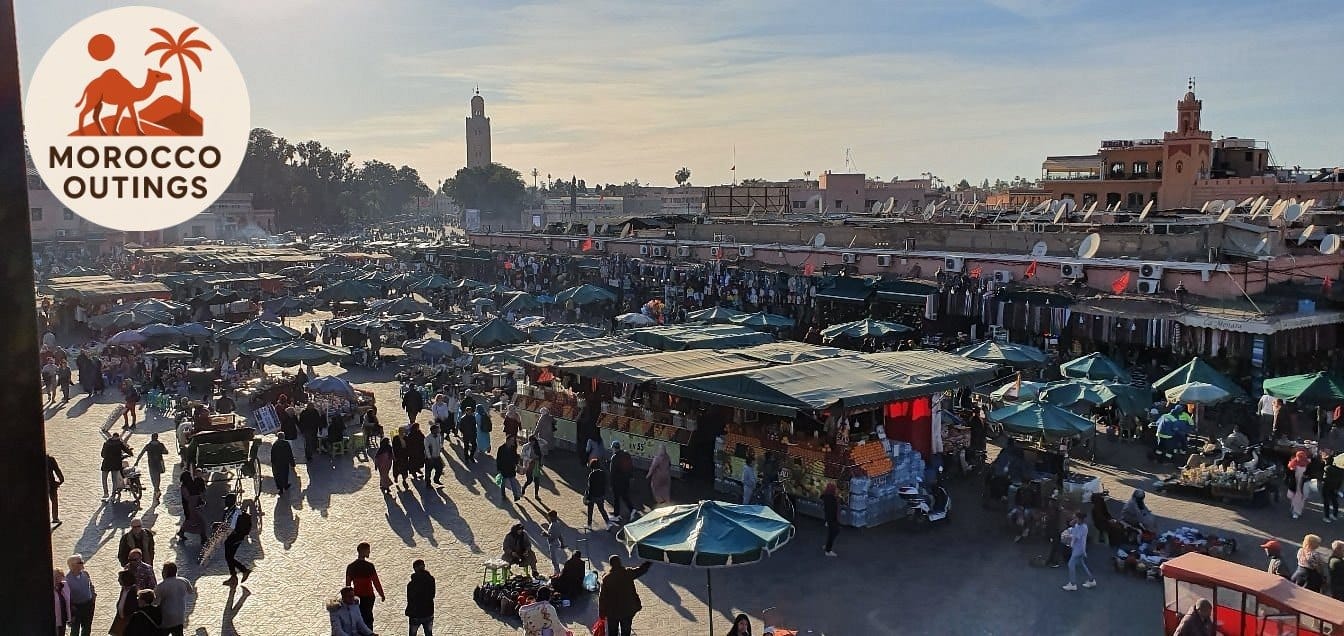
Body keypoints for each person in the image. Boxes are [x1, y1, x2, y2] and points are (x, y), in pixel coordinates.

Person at [598, 555, 652, 636]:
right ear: (620, 562)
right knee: (626, 632)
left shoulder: (607, 578)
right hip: (627, 610)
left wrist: (601, 613)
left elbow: (602, 598)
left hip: (612, 612)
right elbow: (641, 570)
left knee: (612, 632)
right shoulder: (627, 573)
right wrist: (649, 561)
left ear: (611, 564)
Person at [345, 542, 385, 629]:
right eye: (368, 550)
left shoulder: (351, 567)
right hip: (369, 596)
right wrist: (381, 594)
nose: (369, 552)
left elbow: (348, 585)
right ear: (363, 551)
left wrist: (348, 598)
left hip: (357, 597)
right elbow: (376, 582)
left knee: (358, 618)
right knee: (368, 618)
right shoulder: (370, 566)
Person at [154, 561, 195, 636]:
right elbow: (191, 591)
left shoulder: (161, 586)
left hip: (166, 618)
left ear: (165, 573)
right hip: (180, 616)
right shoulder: (184, 581)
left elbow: (156, 603)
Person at [220, 494, 253, 585]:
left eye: (226, 500)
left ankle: (242, 571)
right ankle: (235, 576)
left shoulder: (235, 513)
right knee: (229, 557)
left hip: (234, 538)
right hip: (233, 537)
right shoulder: (231, 511)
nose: (225, 502)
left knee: (229, 557)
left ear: (230, 502)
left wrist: (218, 525)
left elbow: (231, 526)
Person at [1061, 512, 1097, 591]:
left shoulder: (1083, 527)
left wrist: (1067, 537)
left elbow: (1076, 537)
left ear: (1080, 519)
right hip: (1077, 548)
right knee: (1082, 564)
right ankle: (1091, 580)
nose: (1074, 519)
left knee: (1070, 564)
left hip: (1079, 549)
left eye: (1075, 518)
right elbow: (1073, 531)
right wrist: (1072, 526)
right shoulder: (1078, 525)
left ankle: (1072, 584)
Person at [66, 554, 94, 636]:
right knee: (75, 629)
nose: (83, 563)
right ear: (73, 565)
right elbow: (67, 597)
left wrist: (93, 595)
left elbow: (91, 585)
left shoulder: (85, 574)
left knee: (87, 628)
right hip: (76, 608)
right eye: (80, 562)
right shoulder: (67, 580)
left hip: (88, 605)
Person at [405, 559, 435, 636]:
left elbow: (410, 599)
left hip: (415, 614)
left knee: (412, 634)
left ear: (415, 569)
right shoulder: (431, 580)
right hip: (428, 612)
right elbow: (432, 594)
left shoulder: (411, 584)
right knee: (429, 633)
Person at [609, 440, 637, 521]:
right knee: (625, 496)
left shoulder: (614, 458)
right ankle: (631, 510)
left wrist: (611, 484)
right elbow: (630, 466)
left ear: (614, 448)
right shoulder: (626, 454)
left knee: (616, 498)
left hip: (617, 482)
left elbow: (612, 473)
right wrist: (631, 476)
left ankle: (617, 515)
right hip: (626, 480)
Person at [135, 433, 169, 498]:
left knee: (153, 477)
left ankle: (156, 490)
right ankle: (157, 489)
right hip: (159, 463)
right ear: (157, 438)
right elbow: (166, 452)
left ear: (152, 438)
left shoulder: (148, 446)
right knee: (158, 477)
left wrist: (137, 462)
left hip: (151, 463)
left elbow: (141, 453)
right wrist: (160, 451)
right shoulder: (160, 445)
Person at [176, 471, 206, 543]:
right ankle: (203, 537)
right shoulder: (186, 486)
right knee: (199, 521)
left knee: (195, 521)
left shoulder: (185, 486)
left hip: (191, 507)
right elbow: (188, 498)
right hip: (191, 507)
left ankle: (182, 532)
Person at [101, 432, 132, 501]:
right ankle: (113, 495)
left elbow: (102, 454)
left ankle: (106, 493)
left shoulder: (106, 443)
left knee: (104, 478)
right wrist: (130, 453)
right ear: (117, 437)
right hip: (115, 464)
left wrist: (107, 456)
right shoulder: (119, 443)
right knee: (114, 480)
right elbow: (126, 450)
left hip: (106, 463)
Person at [586, 458, 613, 528]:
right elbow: (605, 484)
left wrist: (588, 496)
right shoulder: (602, 473)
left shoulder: (591, 475)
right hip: (600, 495)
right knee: (601, 509)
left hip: (593, 495)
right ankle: (608, 522)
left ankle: (589, 524)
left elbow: (590, 487)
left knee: (590, 510)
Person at [110, 569, 138, 636]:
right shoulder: (123, 589)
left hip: (127, 619)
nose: (118, 580)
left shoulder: (134, 591)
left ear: (125, 579)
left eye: (120, 579)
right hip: (120, 617)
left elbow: (132, 607)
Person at [496, 435, 523, 502]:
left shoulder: (513, 448)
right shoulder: (501, 448)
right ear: (507, 440)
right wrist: (499, 469)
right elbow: (498, 459)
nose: (512, 441)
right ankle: (503, 494)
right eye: (511, 440)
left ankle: (515, 496)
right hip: (504, 468)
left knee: (513, 482)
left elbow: (514, 457)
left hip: (511, 468)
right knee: (503, 483)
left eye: (513, 440)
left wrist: (517, 464)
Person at [541, 509, 568, 575]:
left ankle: (557, 574)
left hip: (553, 544)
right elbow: (559, 535)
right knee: (556, 560)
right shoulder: (557, 524)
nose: (548, 518)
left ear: (551, 517)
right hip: (557, 544)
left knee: (554, 561)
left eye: (549, 517)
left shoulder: (553, 525)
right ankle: (556, 573)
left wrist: (545, 534)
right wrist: (562, 543)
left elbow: (552, 536)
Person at [1288, 450, 1311, 519]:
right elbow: (1289, 473)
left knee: (1300, 497)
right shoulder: (1293, 463)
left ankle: (1296, 511)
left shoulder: (1308, 463)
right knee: (1295, 497)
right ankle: (1295, 510)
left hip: (1303, 484)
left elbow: (1310, 473)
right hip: (1296, 483)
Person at [521, 434, 546, 498]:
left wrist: (538, 439)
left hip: (536, 464)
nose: (532, 443)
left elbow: (545, 443)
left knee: (536, 480)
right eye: (531, 441)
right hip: (529, 464)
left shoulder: (538, 446)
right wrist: (530, 459)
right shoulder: (526, 446)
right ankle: (523, 488)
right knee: (529, 480)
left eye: (533, 441)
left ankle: (536, 494)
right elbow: (522, 456)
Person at [47, 453, 65, 524]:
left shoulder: (34, 461)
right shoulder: (50, 460)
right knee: (54, 500)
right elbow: (57, 470)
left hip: (39, 484)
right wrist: (61, 480)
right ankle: (55, 517)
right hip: (51, 483)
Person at [54, 567, 72, 636]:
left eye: (59, 576)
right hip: (55, 620)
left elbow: (69, 600)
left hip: (63, 617)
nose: (57, 578)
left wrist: (70, 617)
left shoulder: (65, 585)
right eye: (55, 577)